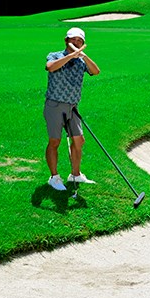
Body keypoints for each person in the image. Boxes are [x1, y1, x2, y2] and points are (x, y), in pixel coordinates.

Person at [44, 27, 101, 191]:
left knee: (79, 141)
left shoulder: (81, 61)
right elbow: (51, 67)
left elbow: (96, 71)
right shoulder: (55, 55)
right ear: (66, 40)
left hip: (72, 107)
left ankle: (75, 174)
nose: (76, 42)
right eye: (73, 39)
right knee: (55, 141)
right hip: (54, 105)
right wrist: (71, 56)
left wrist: (83, 56)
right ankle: (54, 178)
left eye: (80, 40)